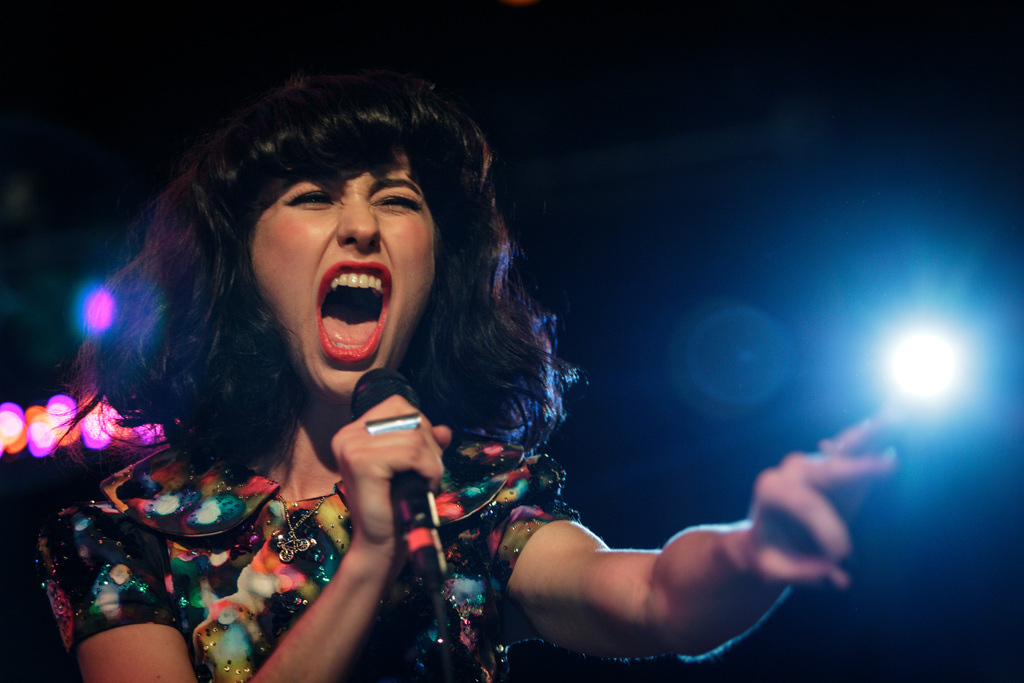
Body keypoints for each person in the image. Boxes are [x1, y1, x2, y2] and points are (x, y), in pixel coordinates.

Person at [37, 71, 895, 683]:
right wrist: (372, 558)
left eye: (397, 201)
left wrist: (755, 552)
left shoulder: (468, 496)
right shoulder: (127, 532)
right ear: (241, 263)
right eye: (312, 196)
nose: (362, 227)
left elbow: (651, 596)